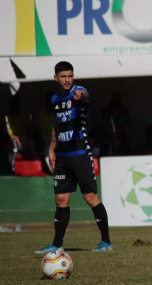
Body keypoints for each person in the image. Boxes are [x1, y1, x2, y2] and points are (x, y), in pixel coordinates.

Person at [34, 61, 113, 253]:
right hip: (62, 156)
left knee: (90, 197)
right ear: (56, 78)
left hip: (80, 154)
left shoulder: (78, 92)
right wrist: (52, 148)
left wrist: (80, 95)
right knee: (61, 199)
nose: (67, 80)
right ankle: (57, 243)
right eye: (63, 76)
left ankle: (106, 242)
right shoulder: (54, 99)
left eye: (70, 76)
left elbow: (84, 94)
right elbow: (57, 124)